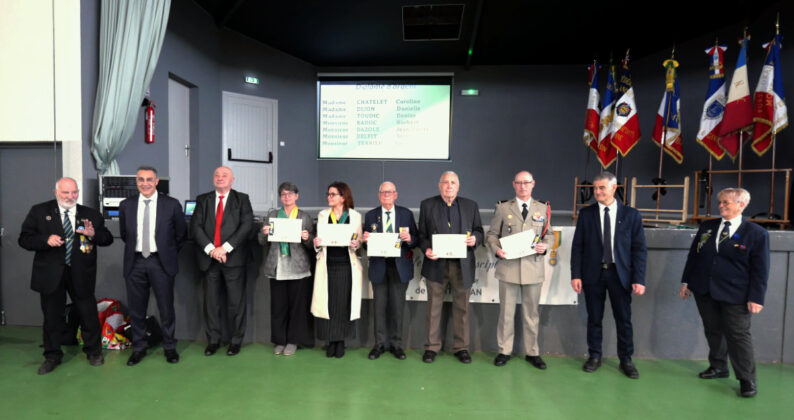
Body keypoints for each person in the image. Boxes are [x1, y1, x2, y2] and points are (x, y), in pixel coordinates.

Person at [18, 177, 114, 375]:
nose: (70, 197)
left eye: (74, 192)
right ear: (55, 193)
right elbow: (24, 239)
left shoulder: (90, 214)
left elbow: (107, 239)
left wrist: (92, 234)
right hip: (51, 274)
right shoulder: (39, 212)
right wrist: (45, 240)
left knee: (88, 315)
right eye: (65, 193)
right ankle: (52, 356)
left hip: (81, 273)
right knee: (52, 317)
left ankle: (94, 352)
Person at [680, 187, 769, 398]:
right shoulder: (708, 227)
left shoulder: (757, 234)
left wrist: (756, 298)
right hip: (704, 289)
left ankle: (747, 379)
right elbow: (694, 255)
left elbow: (761, 270)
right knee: (713, 330)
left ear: (741, 205)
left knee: (738, 337)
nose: (720, 206)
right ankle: (718, 366)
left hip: (736, 294)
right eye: (720, 202)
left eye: (726, 202)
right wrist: (686, 281)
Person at [571, 171, 646, 379]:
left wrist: (639, 279)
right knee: (594, 318)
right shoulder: (586, 214)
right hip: (592, 275)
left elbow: (639, 250)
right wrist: (575, 274)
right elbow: (578, 247)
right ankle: (594, 355)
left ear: (614, 188)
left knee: (624, 319)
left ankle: (626, 360)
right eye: (595, 188)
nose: (597, 192)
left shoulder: (631, 215)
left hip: (620, 276)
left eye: (601, 188)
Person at [119, 166, 187, 366]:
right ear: (137, 182)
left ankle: (169, 347)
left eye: (149, 179)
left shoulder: (172, 205)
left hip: (161, 263)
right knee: (137, 309)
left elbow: (181, 235)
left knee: (166, 308)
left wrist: (167, 253)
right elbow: (125, 235)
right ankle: (139, 348)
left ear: (157, 181)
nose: (145, 183)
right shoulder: (126, 205)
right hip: (135, 262)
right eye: (141, 179)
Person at [486, 171, 551, 369]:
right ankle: (504, 350)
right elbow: (491, 235)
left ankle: (532, 352)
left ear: (533, 184)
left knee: (531, 314)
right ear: (513, 184)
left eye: (527, 183)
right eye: (519, 183)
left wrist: (545, 246)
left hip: (533, 268)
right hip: (509, 268)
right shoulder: (503, 207)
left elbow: (549, 235)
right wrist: (497, 250)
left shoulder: (543, 208)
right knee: (506, 313)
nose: (523, 186)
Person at [418, 171, 484, 364]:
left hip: (462, 266)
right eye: (445, 182)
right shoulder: (427, 205)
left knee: (462, 308)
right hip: (435, 264)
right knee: (433, 308)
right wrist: (426, 249)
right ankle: (431, 347)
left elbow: (479, 231)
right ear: (439, 185)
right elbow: (422, 235)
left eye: (453, 182)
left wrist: (475, 239)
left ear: (458, 186)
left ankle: (461, 347)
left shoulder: (470, 206)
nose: (449, 186)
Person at [191, 166, 253, 356]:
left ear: (232, 179)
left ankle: (235, 341)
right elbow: (195, 227)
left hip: (233, 259)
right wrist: (212, 251)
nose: (220, 178)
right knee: (211, 303)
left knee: (236, 303)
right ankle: (213, 341)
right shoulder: (203, 199)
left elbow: (246, 226)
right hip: (209, 260)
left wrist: (224, 248)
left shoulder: (242, 199)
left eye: (224, 175)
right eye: (217, 175)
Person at [361, 181, 418, 360]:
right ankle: (378, 345)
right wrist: (365, 240)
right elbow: (365, 245)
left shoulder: (406, 214)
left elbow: (416, 240)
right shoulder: (371, 216)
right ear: (379, 195)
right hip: (379, 266)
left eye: (390, 192)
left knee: (397, 308)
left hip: (400, 267)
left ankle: (396, 345)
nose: (386, 194)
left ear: (396, 195)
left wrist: (410, 238)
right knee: (379, 308)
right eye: (383, 192)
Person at [258, 182, 315, 356]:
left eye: (290, 194)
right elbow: (261, 241)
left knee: (296, 307)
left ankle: (293, 341)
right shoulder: (273, 215)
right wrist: (264, 233)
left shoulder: (304, 217)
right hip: (277, 266)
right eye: (283, 194)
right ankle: (279, 340)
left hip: (297, 267)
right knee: (278, 306)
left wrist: (306, 237)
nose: (287, 197)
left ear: (296, 196)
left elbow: (311, 243)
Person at [311, 182, 363, 358]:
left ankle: (340, 342)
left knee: (343, 305)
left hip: (346, 266)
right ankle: (330, 341)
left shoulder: (355, 216)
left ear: (343, 197)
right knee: (328, 305)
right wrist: (316, 244)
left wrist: (357, 244)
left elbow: (359, 242)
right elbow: (319, 239)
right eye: (328, 194)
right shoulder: (323, 215)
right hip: (327, 265)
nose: (329, 197)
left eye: (333, 194)